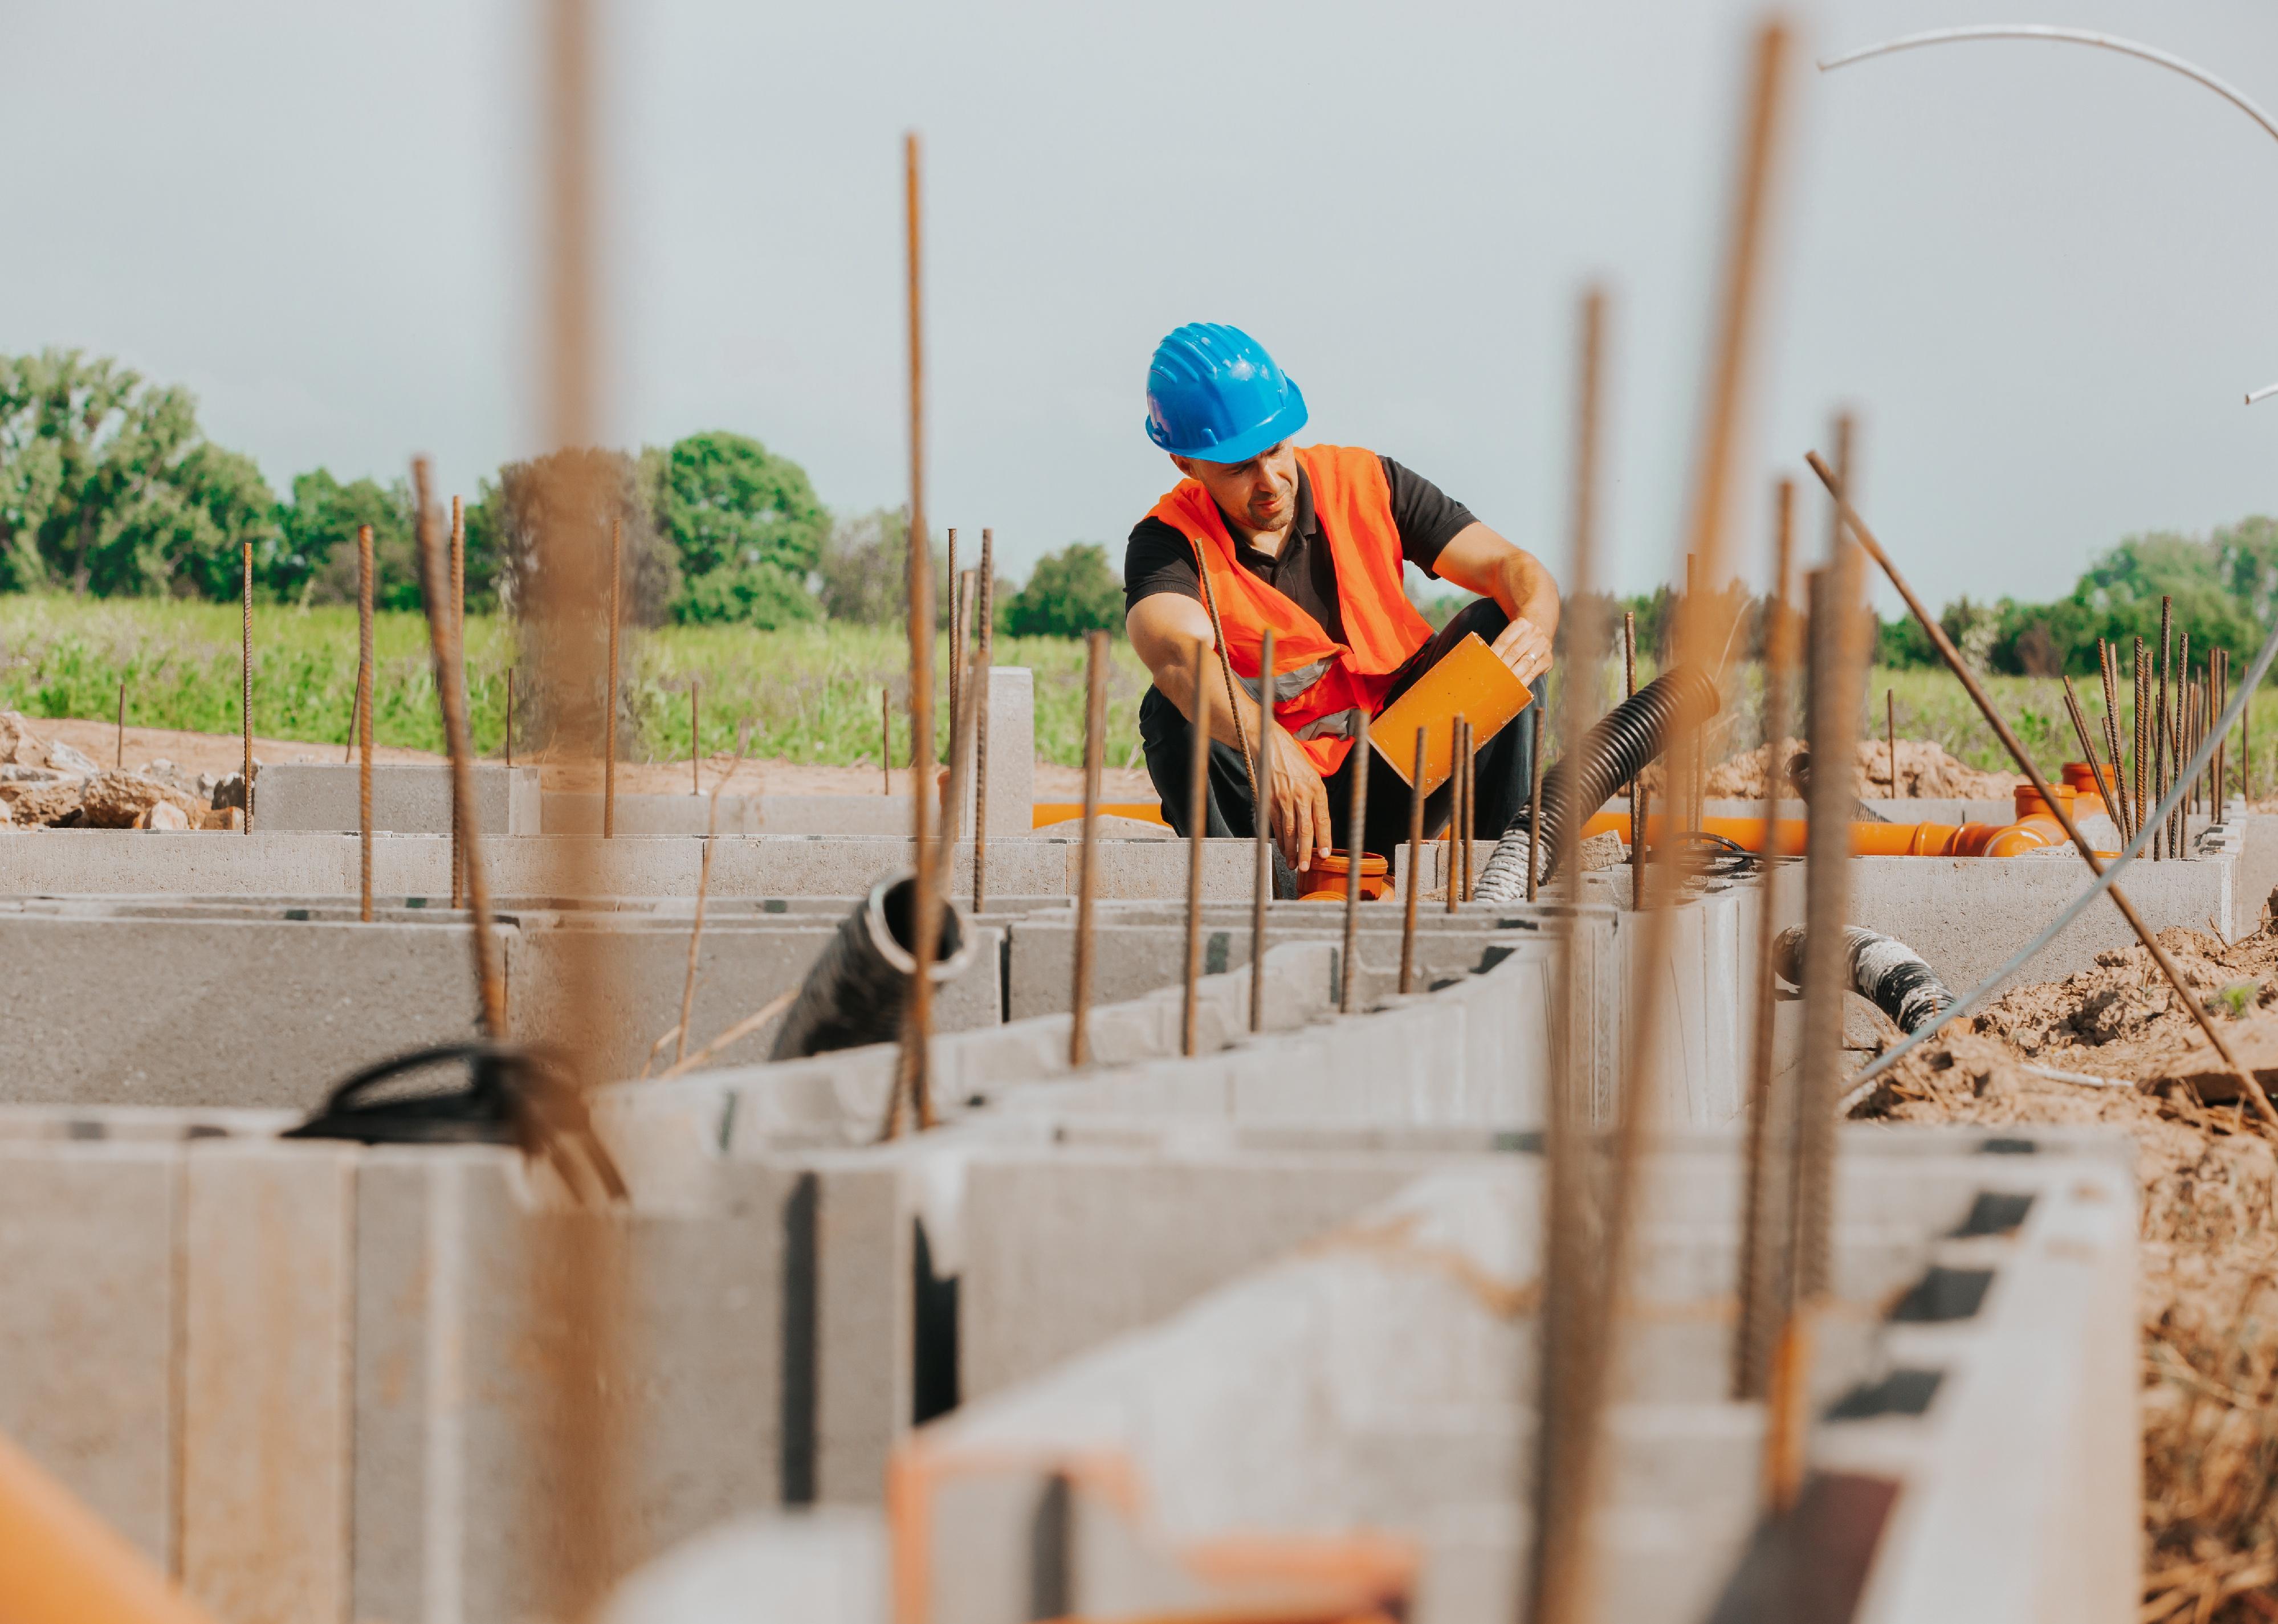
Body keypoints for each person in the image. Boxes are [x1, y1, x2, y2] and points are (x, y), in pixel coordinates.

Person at [1122, 321, 1560, 887]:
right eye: (1238, 468)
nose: (1270, 481)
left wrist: (1535, 625)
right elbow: (1177, 655)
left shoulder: (1367, 482)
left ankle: (1500, 882)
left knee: (1500, 626)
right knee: (1173, 706)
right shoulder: (1168, 541)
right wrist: (1266, 742)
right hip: (1278, 814)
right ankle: (1255, 906)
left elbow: (1512, 568)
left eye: (1276, 450)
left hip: (1397, 771)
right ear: (1186, 464)